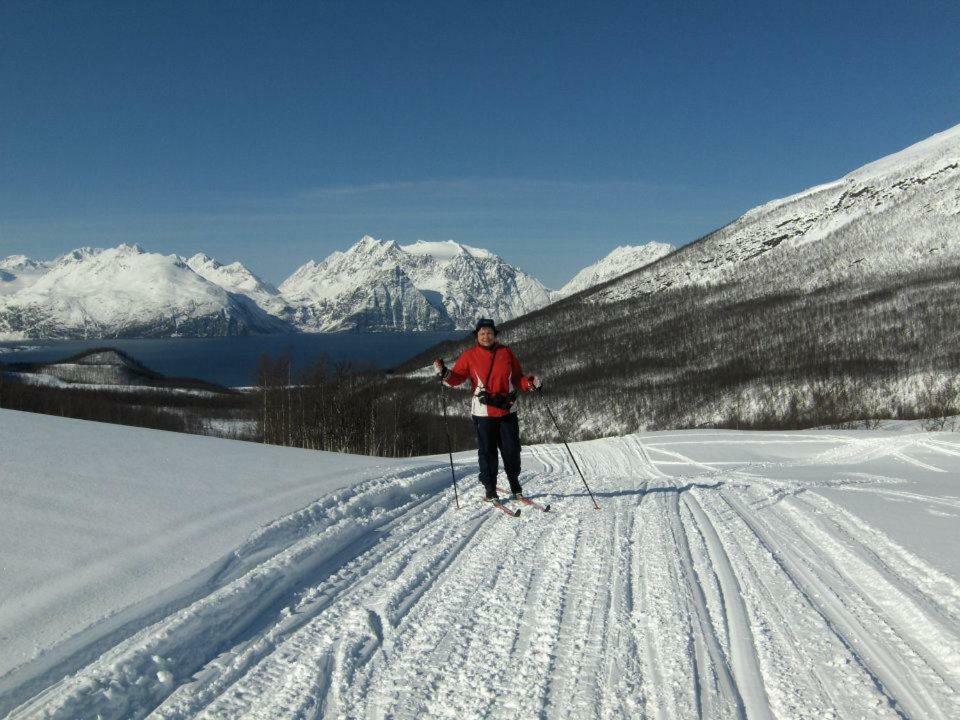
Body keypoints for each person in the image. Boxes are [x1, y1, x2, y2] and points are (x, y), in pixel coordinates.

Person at [434, 318, 541, 502]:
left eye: (489, 333)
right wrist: (444, 373)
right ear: (477, 336)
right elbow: (457, 377)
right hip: (483, 412)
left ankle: (515, 484)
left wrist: (529, 383)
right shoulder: (469, 355)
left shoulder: (506, 352)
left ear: (495, 334)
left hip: (508, 410)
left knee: (512, 450)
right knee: (487, 452)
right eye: (482, 333)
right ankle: (490, 489)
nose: (486, 336)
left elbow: (517, 377)